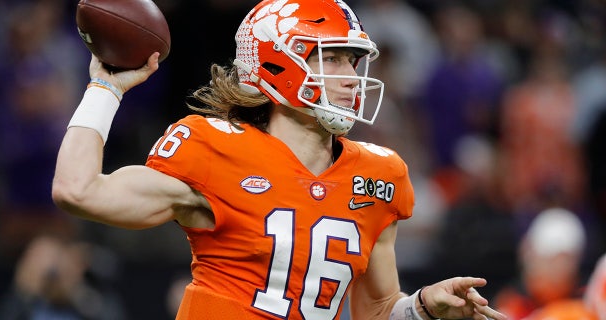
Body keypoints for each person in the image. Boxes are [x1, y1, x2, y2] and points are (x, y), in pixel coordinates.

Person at [52, 0, 507, 319]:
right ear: (277, 64)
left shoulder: (379, 174)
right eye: (334, 60)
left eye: (354, 61)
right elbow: (78, 191)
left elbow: (378, 312)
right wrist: (105, 88)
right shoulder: (213, 148)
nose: (352, 79)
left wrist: (425, 306)